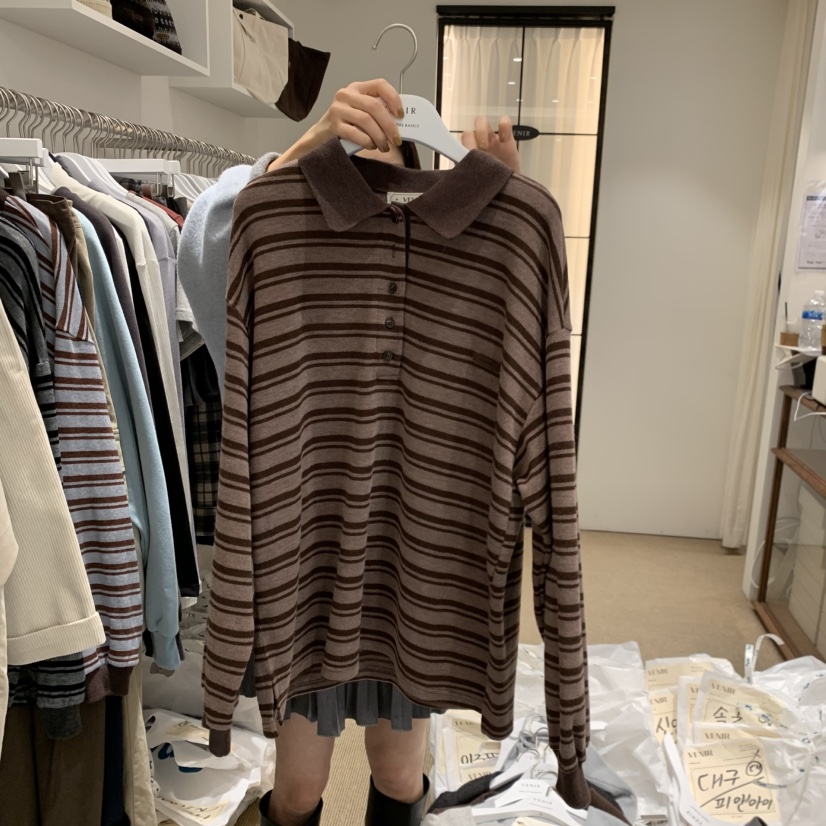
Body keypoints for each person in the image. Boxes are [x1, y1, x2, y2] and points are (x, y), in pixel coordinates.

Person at [247, 78, 520, 826]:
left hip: (414, 568)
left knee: (399, 775)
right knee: (299, 788)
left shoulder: (452, 252)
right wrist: (304, 148)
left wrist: (501, 206)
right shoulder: (275, 229)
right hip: (311, 569)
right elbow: (215, 282)